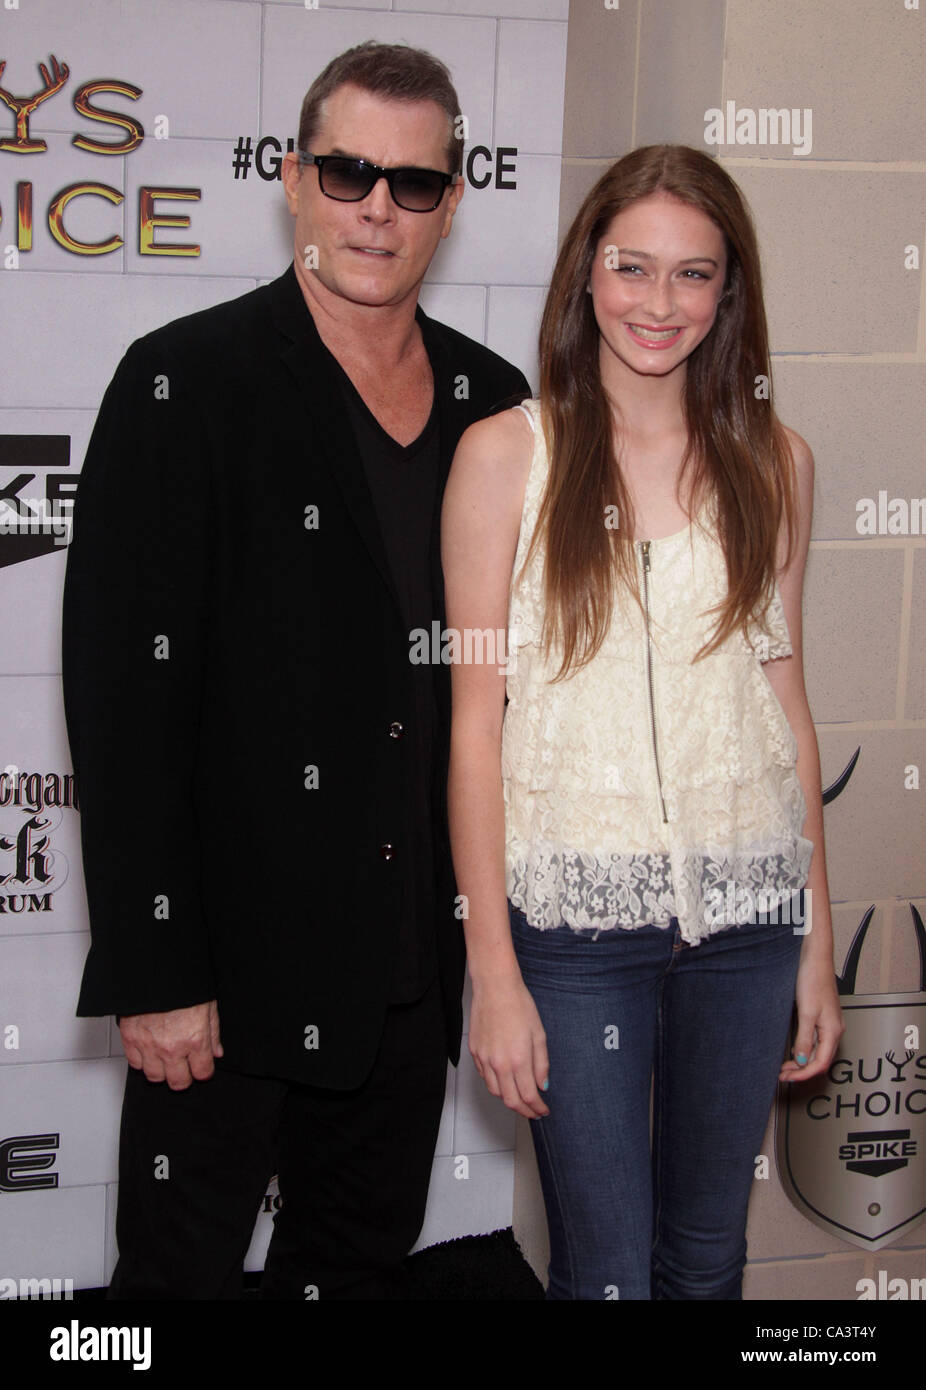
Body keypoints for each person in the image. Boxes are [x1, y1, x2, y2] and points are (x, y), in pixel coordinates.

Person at [62, 40, 528, 1300]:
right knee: (166, 1292)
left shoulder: (498, 410)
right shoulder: (183, 382)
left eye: (413, 182)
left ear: (452, 197)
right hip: (225, 981)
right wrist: (158, 972)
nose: (377, 206)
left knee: (358, 1276)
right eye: (348, 171)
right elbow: (123, 706)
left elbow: (505, 702)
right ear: (292, 177)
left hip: (404, 980)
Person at [441, 144, 844, 1301]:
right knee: (607, 1272)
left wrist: (814, 943)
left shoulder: (776, 463)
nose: (657, 304)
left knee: (709, 1258)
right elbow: (476, 729)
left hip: (749, 917)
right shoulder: (503, 460)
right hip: (572, 930)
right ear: (584, 274)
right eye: (630, 267)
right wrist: (493, 971)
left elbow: (784, 708)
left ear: (727, 294)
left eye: (691, 274)